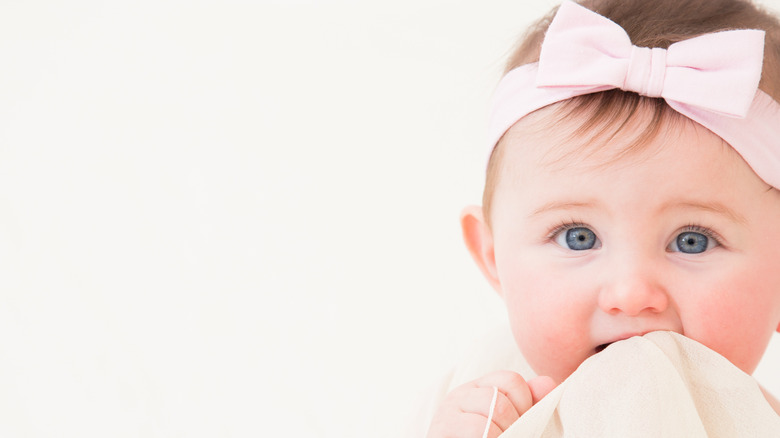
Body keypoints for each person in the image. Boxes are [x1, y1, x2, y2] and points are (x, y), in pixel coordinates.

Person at [426, 0, 780, 437]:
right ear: (494, 257)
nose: (631, 294)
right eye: (578, 237)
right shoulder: (480, 407)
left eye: (694, 240)